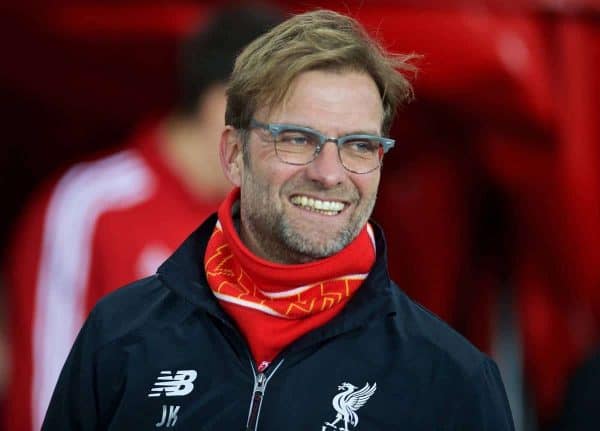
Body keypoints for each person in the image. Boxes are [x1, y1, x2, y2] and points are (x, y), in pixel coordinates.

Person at [43, 9, 515, 430]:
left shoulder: (450, 378)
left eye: (358, 145)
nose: (329, 174)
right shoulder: (121, 334)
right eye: (296, 139)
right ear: (233, 154)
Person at [3, 5, 283, 431]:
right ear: (224, 107)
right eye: (283, 121)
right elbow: (47, 389)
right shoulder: (93, 206)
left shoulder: (265, 223)